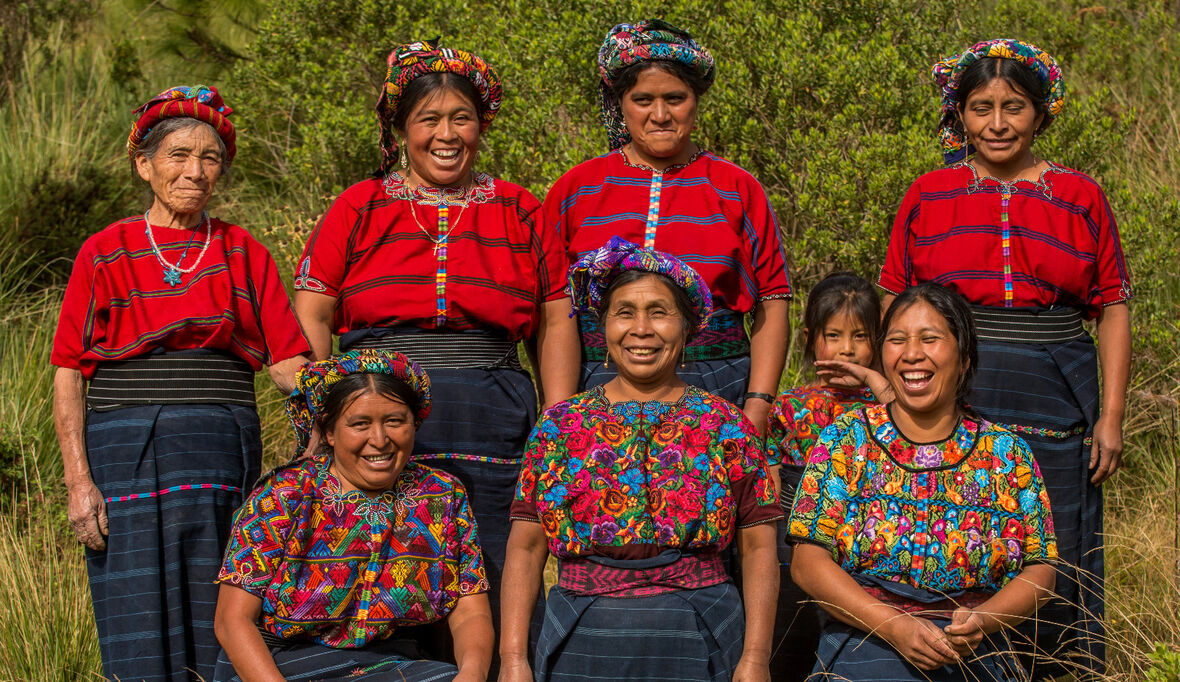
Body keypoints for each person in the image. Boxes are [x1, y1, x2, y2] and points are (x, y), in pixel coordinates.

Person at [292, 39, 579, 654]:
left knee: (500, 560)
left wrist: (556, 422)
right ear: (401, 129)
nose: (446, 135)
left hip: (495, 415)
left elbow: (555, 323)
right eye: (429, 119)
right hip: (378, 419)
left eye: (462, 118)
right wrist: (322, 409)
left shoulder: (521, 211)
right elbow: (313, 313)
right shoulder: (359, 207)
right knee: (388, 558)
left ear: (482, 124)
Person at [879, 38, 1132, 678]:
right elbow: (895, 299)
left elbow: (1113, 306)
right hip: (955, 385)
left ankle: (1059, 668)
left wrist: (1112, 416)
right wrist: (891, 392)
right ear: (958, 114)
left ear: (1040, 114)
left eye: (1014, 107)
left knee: (1056, 545)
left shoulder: (1080, 197)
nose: (997, 124)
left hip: (1056, 385)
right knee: (955, 528)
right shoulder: (929, 195)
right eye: (981, 107)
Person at [50, 85, 310, 681]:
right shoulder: (104, 251)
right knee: (134, 605)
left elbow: (285, 361)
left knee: (225, 599)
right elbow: (69, 369)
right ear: (144, 164)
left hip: (220, 454)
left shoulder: (244, 252)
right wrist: (78, 482)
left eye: (210, 158)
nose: (195, 172)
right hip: (125, 456)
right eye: (178, 155)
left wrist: (329, 421)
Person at [499, 237, 781, 682]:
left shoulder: (727, 424)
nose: (641, 329)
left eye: (659, 312)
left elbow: (760, 546)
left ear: (687, 327)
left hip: (702, 631)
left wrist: (756, 659)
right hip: (583, 637)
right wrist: (514, 659)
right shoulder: (558, 426)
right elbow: (526, 545)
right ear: (603, 327)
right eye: (624, 312)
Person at [789, 282, 1058, 681]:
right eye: (897, 340)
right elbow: (807, 562)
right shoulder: (845, 438)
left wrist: (982, 621)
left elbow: (1041, 568)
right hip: (866, 643)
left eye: (930, 339)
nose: (912, 353)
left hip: (973, 650)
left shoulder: (1007, 453)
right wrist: (893, 626)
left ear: (965, 356)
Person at [544, 19, 791, 432]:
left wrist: (758, 407)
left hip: (719, 388)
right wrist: (559, 414)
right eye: (643, 99)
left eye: (675, 98)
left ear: (696, 100)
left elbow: (773, 300)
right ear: (619, 101)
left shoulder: (737, 188)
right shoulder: (576, 190)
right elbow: (555, 313)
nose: (660, 115)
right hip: (597, 389)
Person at [213, 349, 493, 681]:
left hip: (394, 664)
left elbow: (470, 613)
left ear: (414, 423)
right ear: (329, 432)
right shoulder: (286, 495)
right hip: (284, 666)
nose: (379, 440)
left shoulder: (443, 496)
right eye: (360, 424)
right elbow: (233, 621)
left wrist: (472, 674)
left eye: (395, 421)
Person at [763, 272, 892, 680]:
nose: (847, 350)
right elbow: (767, 473)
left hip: (864, 541)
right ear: (809, 338)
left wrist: (874, 379)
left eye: (860, 336)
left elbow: (904, 426)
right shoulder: (788, 406)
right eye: (833, 335)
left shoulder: (887, 405)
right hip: (792, 541)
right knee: (793, 633)